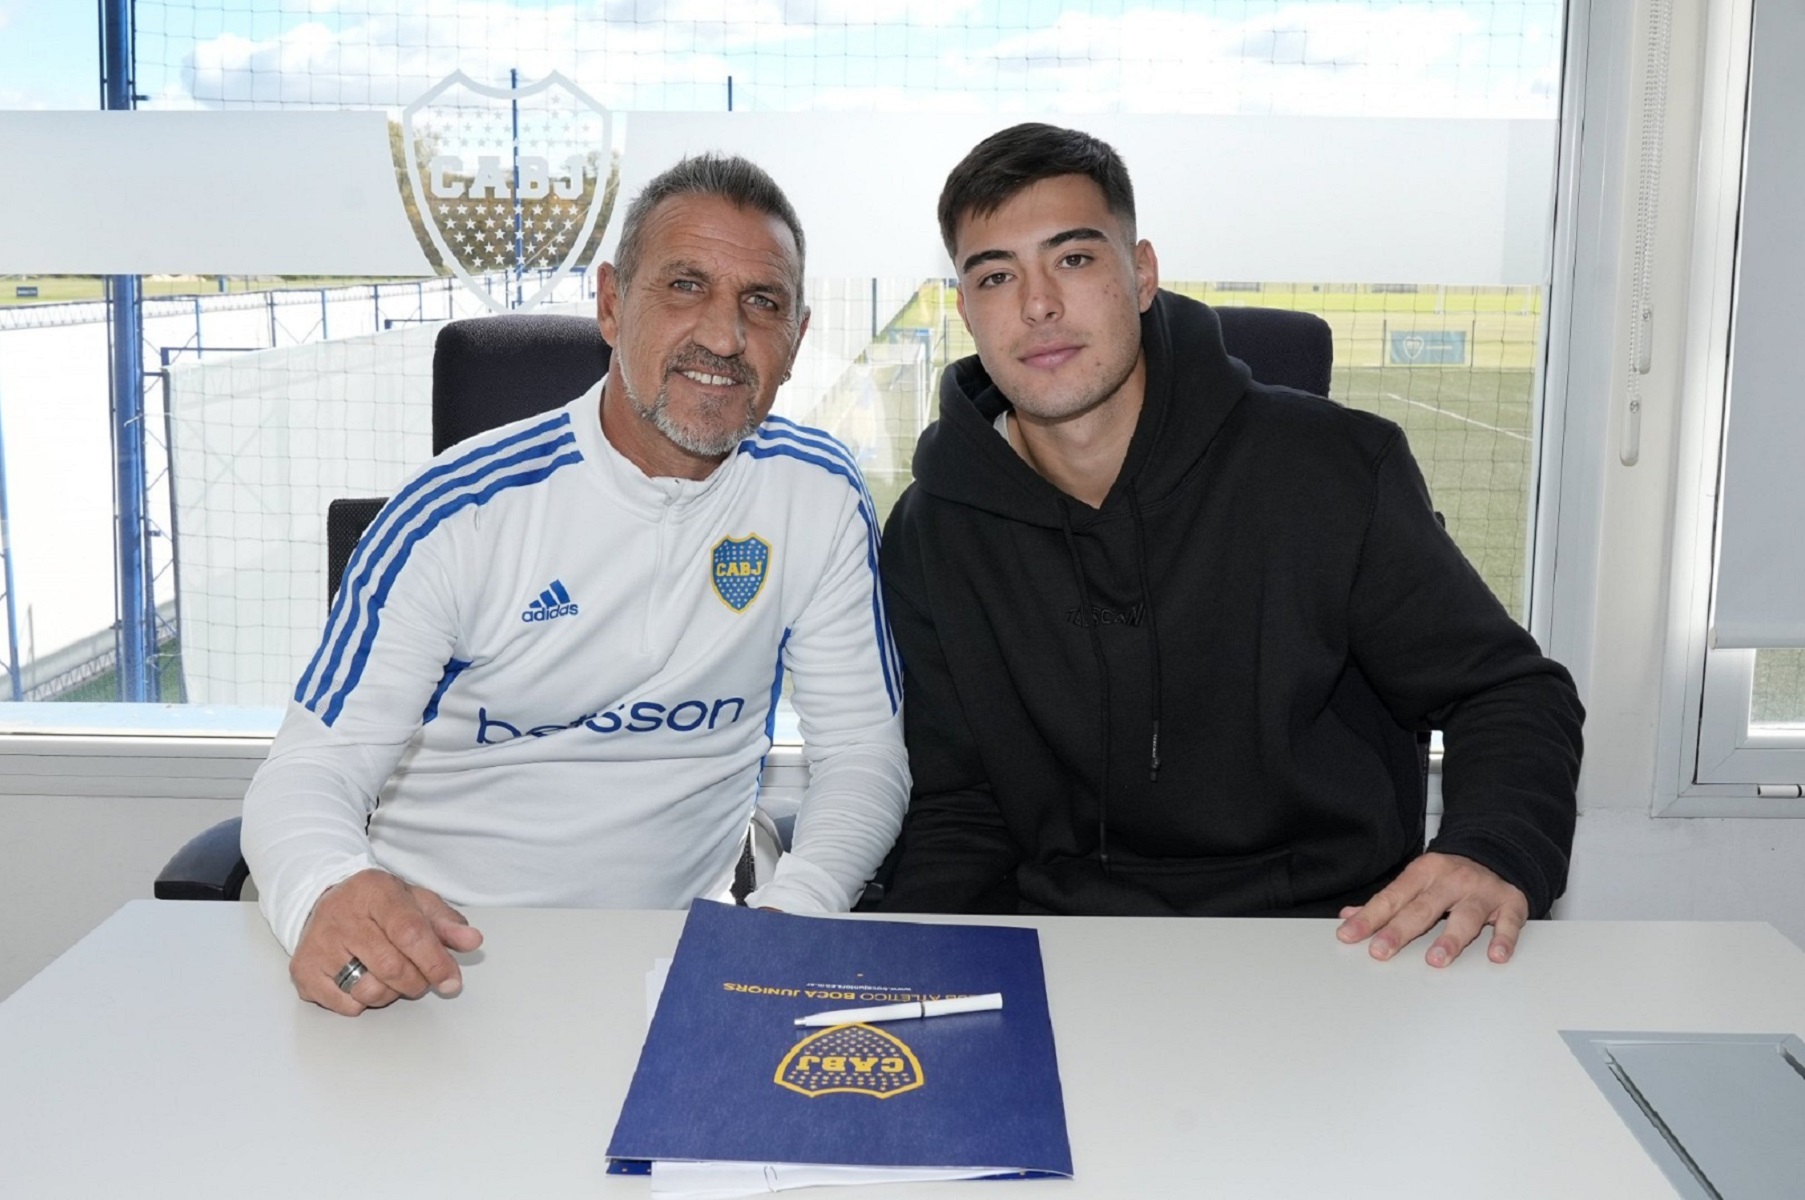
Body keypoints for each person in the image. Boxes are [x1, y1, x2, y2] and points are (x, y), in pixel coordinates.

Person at [877, 123, 1583, 967]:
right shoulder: (933, 530)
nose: (1037, 305)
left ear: (1140, 274)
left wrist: (1491, 845)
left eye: (1072, 259)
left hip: (1332, 944)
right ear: (966, 311)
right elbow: (961, 811)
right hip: (1070, 951)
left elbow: (1506, 692)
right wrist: (892, 971)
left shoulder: (1331, 470)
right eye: (995, 275)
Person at [242, 154, 909, 1015]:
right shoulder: (457, 513)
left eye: (762, 302)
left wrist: (793, 914)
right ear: (608, 303)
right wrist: (328, 889)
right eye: (683, 285)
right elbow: (307, 772)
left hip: (693, 958)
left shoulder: (816, 493)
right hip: (440, 966)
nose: (723, 334)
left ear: (796, 337)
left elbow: (862, 758)